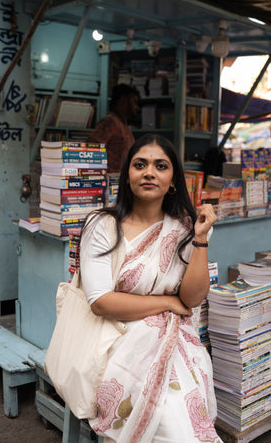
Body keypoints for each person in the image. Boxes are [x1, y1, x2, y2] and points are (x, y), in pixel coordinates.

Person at [79, 134, 221, 442]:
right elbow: (101, 302)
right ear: (127, 175)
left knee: (181, 412)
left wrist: (200, 238)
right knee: (170, 421)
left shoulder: (183, 227)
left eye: (161, 166)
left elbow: (192, 298)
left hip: (174, 342)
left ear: (172, 180)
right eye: (140, 164)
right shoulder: (101, 225)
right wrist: (166, 304)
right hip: (113, 339)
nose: (149, 172)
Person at [87, 83, 140, 173]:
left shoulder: (124, 125)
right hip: (108, 181)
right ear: (123, 100)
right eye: (134, 102)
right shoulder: (110, 122)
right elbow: (91, 148)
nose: (137, 108)